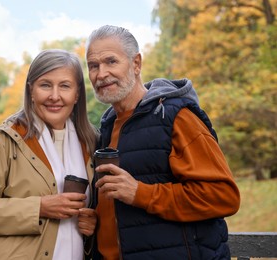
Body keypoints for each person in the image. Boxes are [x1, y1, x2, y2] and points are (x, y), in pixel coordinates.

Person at [85, 25, 241, 260]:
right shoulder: (108, 126)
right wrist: (95, 219)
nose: (101, 74)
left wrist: (141, 193)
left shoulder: (176, 116)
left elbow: (223, 196)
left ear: (136, 64)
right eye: (93, 66)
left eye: (111, 62)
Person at [0, 49, 99, 260]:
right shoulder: (5, 140)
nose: (55, 96)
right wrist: (39, 208)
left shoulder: (91, 143)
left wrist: (92, 224)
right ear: (31, 90)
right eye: (45, 85)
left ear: (77, 94)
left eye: (65, 86)